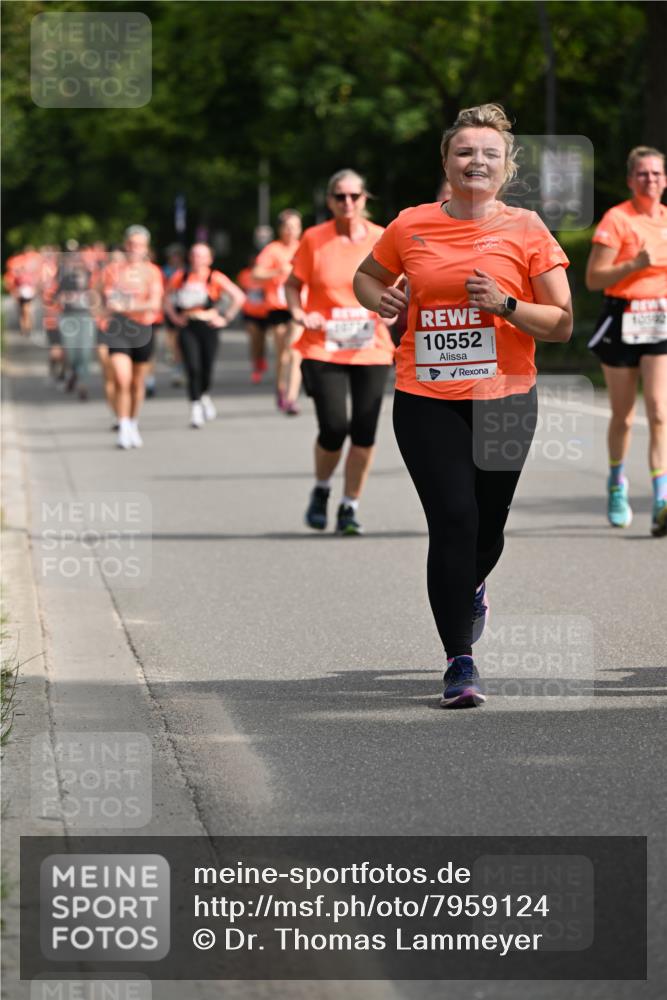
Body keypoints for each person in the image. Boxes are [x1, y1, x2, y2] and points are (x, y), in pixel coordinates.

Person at [354, 103, 572, 708]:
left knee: (488, 524)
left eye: (489, 155)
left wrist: (505, 305)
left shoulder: (528, 229)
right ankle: (460, 661)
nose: (476, 162)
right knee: (453, 518)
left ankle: (470, 584)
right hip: (427, 396)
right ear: (446, 161)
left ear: (506, 167)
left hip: (505, 398)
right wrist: (383, 301)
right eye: (464, 153)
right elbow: (364, 277)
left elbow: (560, 323)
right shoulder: (410, 225)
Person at [285, 169, 395, 535]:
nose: (347, 203)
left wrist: (394, 309)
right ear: (330, 201)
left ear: (365, 199)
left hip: (371, 347)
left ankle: (349, 506)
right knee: (334, 428)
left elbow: (402, 282)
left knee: (364, 432)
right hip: (323, 346)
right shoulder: (314, 239)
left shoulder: (383, 237)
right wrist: (301, 313)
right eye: (339, 196)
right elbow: (292, 284)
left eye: (354, 196)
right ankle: (321, 489)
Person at [585, 145, 667, 537]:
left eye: (656, 173)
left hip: (660, 322)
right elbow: (594, 279)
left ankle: (661, 499)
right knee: (624, 415)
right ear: (631, 180)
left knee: (659, 411)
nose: (650, 179)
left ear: (665, 180)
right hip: (622, 319)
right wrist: (636, 264)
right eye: (643, 174)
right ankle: (617, 483)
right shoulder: (617, 220)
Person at [163, 242, 245, 427]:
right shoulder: (181, 277)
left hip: (208, 326)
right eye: (194, 255)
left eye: (201, 256)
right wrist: (175, 317)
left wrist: (225, 317)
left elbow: (239, 296)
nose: (197, 259)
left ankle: (204, 394)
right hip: (188, 326)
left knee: (207, 367)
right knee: (192, 367)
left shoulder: (214, 277)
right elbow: (166, 298)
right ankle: (195, 407)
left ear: (209, 259)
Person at [100, 226, 163, 449]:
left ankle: (133, 422)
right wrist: (131, 306)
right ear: (125, 245)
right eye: (131, 244)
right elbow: (110, 301)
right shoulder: (113, 270)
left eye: (139, 245)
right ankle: (123, 424)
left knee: (137, 383)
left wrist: (128, 305)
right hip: (118, 328)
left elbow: (154, 304)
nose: (134, 249)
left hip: (143, 329)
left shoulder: (152, 272)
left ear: (146, 248)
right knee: (121, 379)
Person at [253, 210, 303, 413]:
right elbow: (256, 274)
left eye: (294, 226)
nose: (291, 230)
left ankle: (292, 397)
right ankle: (280, 389)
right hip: (278, 307)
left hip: (299, 307)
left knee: (295, 351)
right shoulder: (273, 250)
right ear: (280, 229)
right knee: (282, 354)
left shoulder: (304, 248)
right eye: (287, 226)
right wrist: (277, 272)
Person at [237, 254, 270, 384]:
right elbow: (242, 292)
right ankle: (255, 367)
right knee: (254, 339)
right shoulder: (244, 274)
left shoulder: (266, 275)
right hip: (250, 313)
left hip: (265, 312)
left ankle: (261, 358)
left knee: (262, 340)